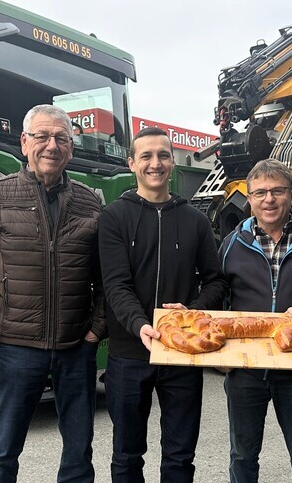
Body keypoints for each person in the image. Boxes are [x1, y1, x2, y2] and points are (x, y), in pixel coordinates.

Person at [0, 104, 105, 483]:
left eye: (60, 138)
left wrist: (96, 330)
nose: (51, 145)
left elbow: (108, 276)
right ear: (24, 143)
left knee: (78, 450)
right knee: (3, 449)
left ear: (70, 148)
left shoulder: (91, 202)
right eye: (41, 136)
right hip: (17, 349)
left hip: (76, 349)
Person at [98, 126, 227, 482]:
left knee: (180, 456)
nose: (155, 163)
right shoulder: (114, 218)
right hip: (129, 352)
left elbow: (215, 280)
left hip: (182, 354)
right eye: (146, 156)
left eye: (163, 155)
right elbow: (115, 284)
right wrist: (141, 324)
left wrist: (193, 311)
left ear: (173, 162)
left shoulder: (196, 221)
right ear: (132, 163)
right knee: (126, 455)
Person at [217, 158, 292, 483]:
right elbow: (218, 300)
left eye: (277, 191)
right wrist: (219, 357)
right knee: (243, 456)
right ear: (249, 199)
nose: (269, 199)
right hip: (245, 372)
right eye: (260, 192)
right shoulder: (231, 245)